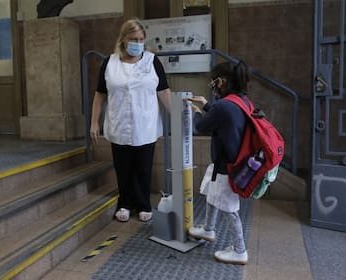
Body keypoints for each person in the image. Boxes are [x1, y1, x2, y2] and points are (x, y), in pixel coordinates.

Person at [90, 18, 171, 223]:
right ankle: (124, 203)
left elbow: (164, 92)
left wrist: (181, 116)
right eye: (134, 38)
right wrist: (94, 122)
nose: (138, 42)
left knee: (143, 168)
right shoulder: (110, 63)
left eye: (141, 39)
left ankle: (143, 204)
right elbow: (100, 94)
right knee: (123, 167)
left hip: (146, 124)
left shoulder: (152, 61)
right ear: (123, 38)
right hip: (119, 124)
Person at [187, 60, 250, 265]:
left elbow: (202, 127)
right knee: (212, 194)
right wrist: (206, 105)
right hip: (230, 161)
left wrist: (196, 112)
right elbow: (223, 116)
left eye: (213, 82)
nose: (213, 87)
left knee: (229, 208)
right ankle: (208, 229)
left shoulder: (224, 106)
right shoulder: (241, 101)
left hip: (227, 166)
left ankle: (240, 250)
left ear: (220, 82)